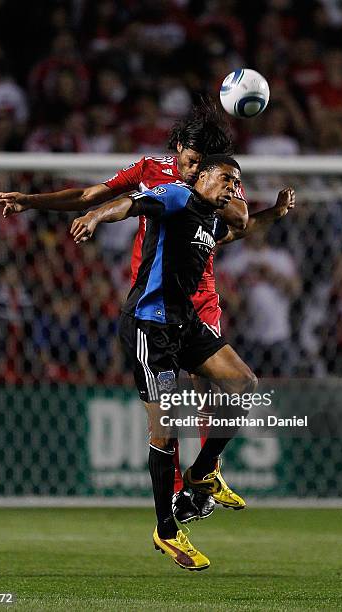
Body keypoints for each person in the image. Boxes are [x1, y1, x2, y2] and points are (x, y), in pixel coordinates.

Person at [0, 100, 249, 523]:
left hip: (201, 297)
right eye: (190, 160)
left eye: (203, 165)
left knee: (219, 388)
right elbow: (94, 196)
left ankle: (206, 473)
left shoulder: (217, 178)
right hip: (156, 300)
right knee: (169, 407)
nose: (193, 169)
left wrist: (208, 196)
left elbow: (241, 216)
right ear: (178, 146)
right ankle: (181, 494)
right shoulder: (151, 170)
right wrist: (33, 201)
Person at [69, 155, 257, 570]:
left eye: (237, 182)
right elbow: (132, 204)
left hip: (184, 323)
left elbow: (243, 226)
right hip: (148, 326)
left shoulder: (210, 220)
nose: (231, 187)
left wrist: (274, 213)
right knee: (166, 428)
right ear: (203, 176)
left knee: (244, 385)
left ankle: (203, 470)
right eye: (226, 178)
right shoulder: (175, 196)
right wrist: (98, 214)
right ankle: (167, 531)